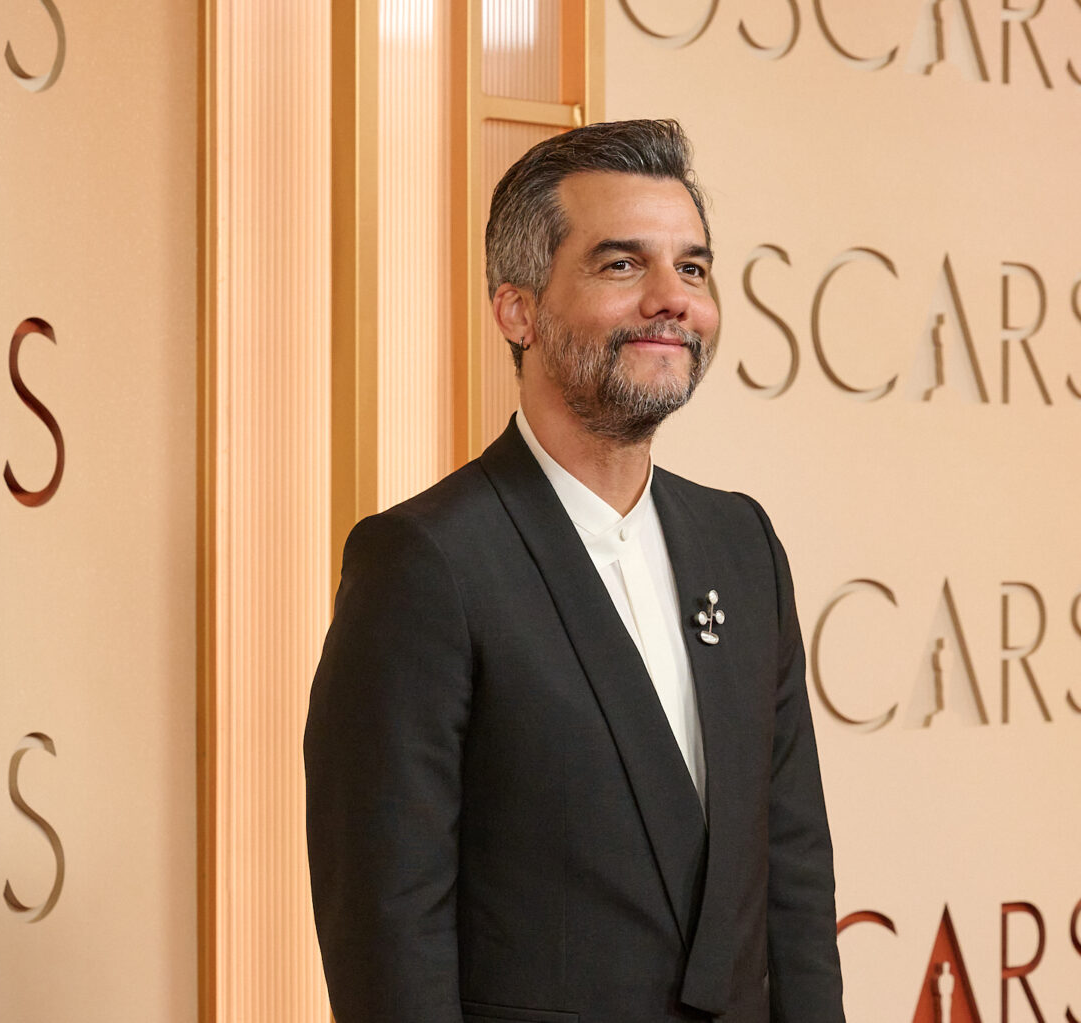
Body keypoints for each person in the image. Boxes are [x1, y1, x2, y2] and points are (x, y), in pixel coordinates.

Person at [304, 118, 845, 1023]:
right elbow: (389, 933)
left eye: (694, 267)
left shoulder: (742, 544)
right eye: (623, 264)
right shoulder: (426, 563)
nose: (673, 298)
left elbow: (792, 877)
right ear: (517, 309)